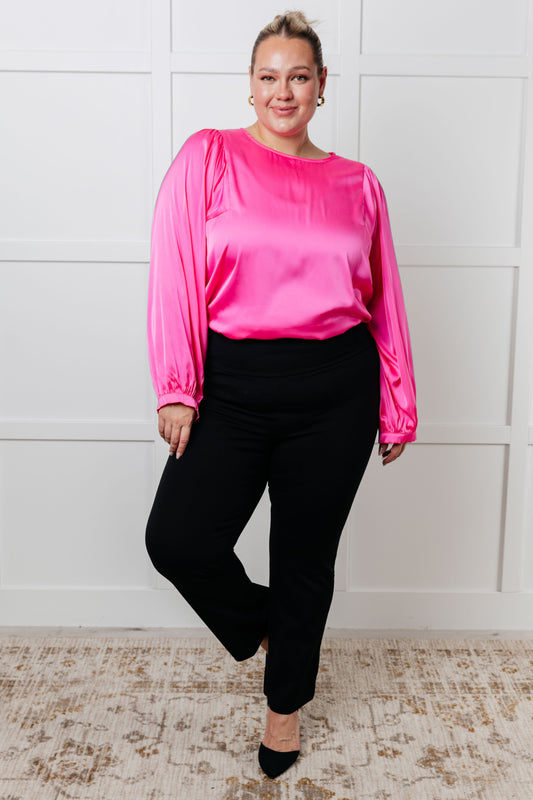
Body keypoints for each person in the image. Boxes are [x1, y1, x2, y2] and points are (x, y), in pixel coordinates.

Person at [145, 10, 417, 780]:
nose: (283, 91)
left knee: (304, 557)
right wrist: (177, 386)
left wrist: (397, 404)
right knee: (178, 540)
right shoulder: (207, 157)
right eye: (269, 76)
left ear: (321, 85)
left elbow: (383, 300)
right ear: (251, 84)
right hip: (230, 384)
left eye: (298, 76)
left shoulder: (358, 184)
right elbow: (174, 273)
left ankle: (283, 711)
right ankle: (279, 628)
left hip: (336, 389)